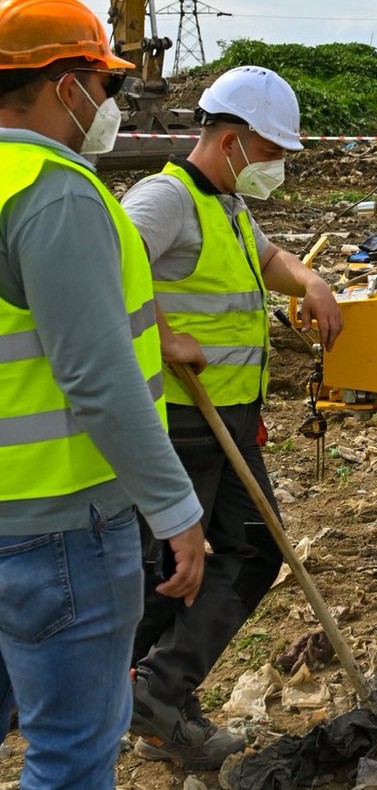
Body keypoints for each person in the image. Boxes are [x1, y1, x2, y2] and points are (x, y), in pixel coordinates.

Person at [0, 0, 207, 786]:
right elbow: (96, 376)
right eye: (102, 83)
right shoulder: (55, 194)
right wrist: (175, 508)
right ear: (64, 86)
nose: (110, 105)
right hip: (60, 527)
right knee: (72, 754)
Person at [119, 65, 342, 771]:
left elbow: (269, 258)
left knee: (244, 553)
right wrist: (159, 334)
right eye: (271, 155)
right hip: (184, 422)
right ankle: (140, 695)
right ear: (234, 139)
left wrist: (309, 278)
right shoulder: (166, 199)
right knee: (170, 568)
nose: (274, 169)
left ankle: (152, 692)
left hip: (233, 421)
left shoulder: (229, 209)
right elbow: (104, 268)